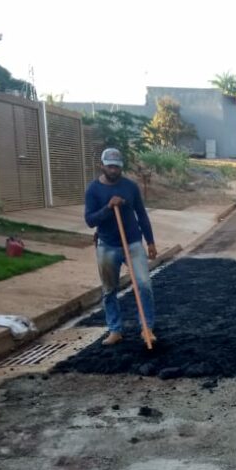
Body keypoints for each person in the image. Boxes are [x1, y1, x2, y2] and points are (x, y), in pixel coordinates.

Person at [84, 148, 158, 346]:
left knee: (144, 285)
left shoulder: (130, 187)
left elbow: (141, 215)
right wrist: (108, 207)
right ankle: (115, 330)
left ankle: (147, 328)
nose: (114, 170)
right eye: (110, 166)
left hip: (133, 242)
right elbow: (90, 220)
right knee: (109, 290)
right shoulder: (93, 190)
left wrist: (150, 241)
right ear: (102, 165)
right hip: (107, 245)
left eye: (117, 166)